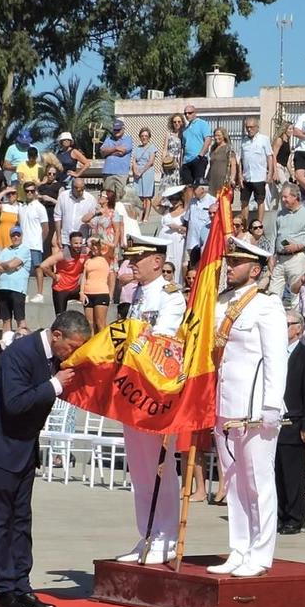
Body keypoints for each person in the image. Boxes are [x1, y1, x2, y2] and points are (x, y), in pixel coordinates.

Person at [0, 310, 88, 607]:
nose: (73, 355)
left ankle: (22, 585)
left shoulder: (57, 357)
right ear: (57, 335)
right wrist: (55, 384)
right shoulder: (19, 354)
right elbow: (14, 402)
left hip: (24, 449)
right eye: (72, 348)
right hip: (0, 448)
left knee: (22, 520)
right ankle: (4, 589)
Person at [204, 237, 288, 578]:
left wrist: (271, 405)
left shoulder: (266, 306)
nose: (230, 266)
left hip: (253, 406)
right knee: (234, 481)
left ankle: (261, 552)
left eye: (237, 262)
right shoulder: (221, 302)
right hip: (225, 403)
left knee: (258, 481)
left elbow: (276, 358)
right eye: (230, 261)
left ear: (255, 269)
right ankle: (239, 548)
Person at [110, 236, 186, 564]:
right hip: (132, 389)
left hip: (155, 392)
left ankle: (167, 534)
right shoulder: (139, 294)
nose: (131, 266)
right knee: (139, 467)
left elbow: (164, 340)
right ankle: (148, 534)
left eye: (137, 259)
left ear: (156, 261)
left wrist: (133, 345)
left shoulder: (172, 297)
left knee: (158, 466)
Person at [275, 309, 305, 536]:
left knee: (293, 474)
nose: (282, 329)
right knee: (277, 473)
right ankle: (280, 514)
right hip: (275, 421)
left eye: (286, 324)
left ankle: (294, 517)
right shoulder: (276, 352)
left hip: (295, 422)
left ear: (298, 328)